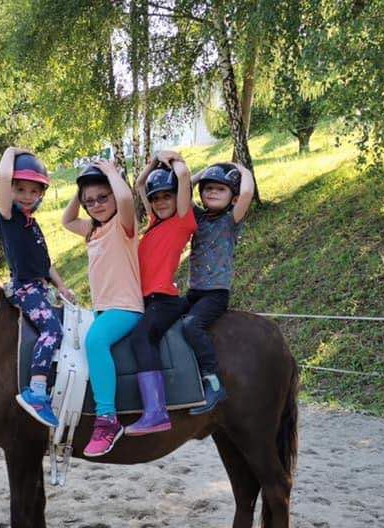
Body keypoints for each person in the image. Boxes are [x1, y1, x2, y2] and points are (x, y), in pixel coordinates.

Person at [62, 159, 142, 456]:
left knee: (95, 341)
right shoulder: (92, 230)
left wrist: (111, 173)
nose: (96, 205)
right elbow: (67, 220)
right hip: (103, 308)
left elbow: (126, 199)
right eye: (90, 202)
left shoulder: (123, 225)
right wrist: (80, 190)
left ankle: (107, 418)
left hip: (127, 306)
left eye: (102, 198)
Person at [0, 146, 75, 428]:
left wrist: (62, 287)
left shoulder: (32, 225)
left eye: (33, 191)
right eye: (20, 190)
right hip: (24, 288)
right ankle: (37, 391)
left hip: (41, 286)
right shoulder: (8, 218)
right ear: (10, 190)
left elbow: (45, 263)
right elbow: (3, 177)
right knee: (52, 330)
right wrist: (12, 151)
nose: (27, 196)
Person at [124, 150, 196, 435]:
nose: (161, 201)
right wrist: (154, 160)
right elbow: (140, 185)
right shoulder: (154, 223)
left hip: (163, 300)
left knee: (142, 338)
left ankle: (156, 411)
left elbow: (184, 175)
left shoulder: (183, 220)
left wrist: (173, 159)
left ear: (178, 197)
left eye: (167, 196)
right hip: (142, 300)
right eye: (156, 198)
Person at [182, 161, 254, 414]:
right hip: (194, 291)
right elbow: (182, 189)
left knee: (192, 326)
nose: (212, 192)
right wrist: (202, 173)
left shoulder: (231, 220)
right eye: (208, 188)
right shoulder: (198, 217)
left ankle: (213, 381)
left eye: (220, 189)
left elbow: (247, 192)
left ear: (232, 198)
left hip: (215, 294)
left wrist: (241, 169)